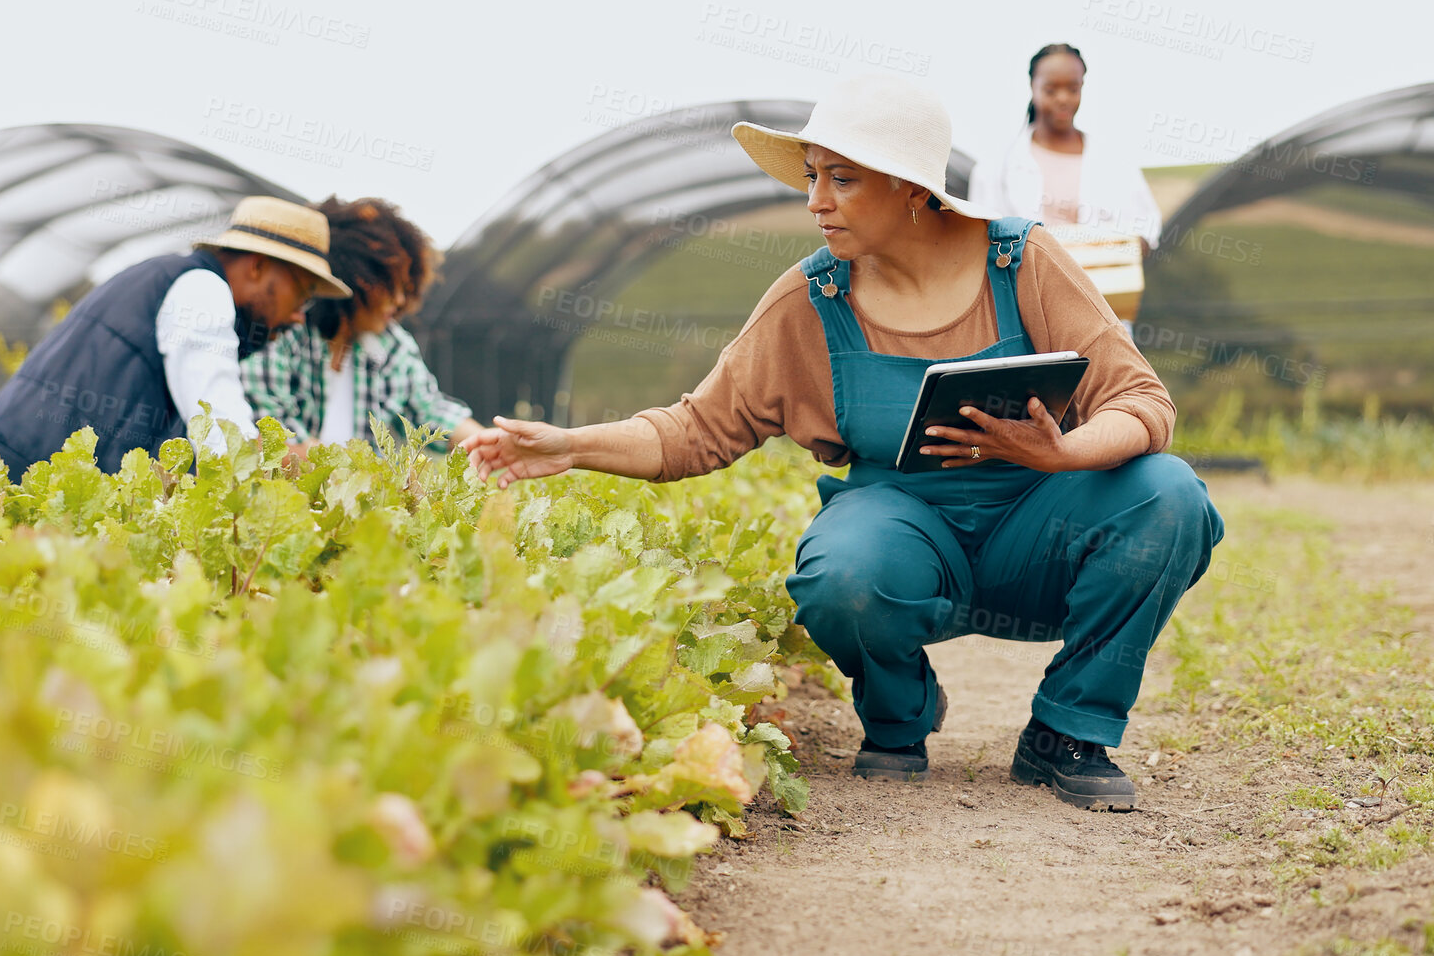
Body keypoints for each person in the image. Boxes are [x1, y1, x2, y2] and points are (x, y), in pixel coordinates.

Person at [463, 75, 1223, 812]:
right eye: (812, 176)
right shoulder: (811, 298)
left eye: (843, 179)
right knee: (842, 573)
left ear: (909, 186)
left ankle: (1067, 730)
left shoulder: (1021, 261)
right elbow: (696, 429)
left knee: (1169, 495)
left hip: (1040, 526)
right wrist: (570, 446)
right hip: (904, 531)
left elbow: (1141, 402)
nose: (815, 200)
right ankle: (901, 714)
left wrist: (1063, 453)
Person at [0, 196, 349, 481]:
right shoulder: (202, 291)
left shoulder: (166, 278)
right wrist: (312, 460)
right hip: (9, 507)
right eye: (302, 295)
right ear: (259, 267)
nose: (300, 317)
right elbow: (227, 444)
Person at [241, 196, 482, 452]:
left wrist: (488, 442)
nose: (399, 300)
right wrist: (378, 478)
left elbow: (429, 409)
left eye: (404, 287)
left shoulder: (390, 345)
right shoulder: (283, 337)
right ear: (353, 278)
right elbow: (276, 444)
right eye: (389, 286)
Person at [969, 44, 1161, 335]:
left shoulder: (1113, 163)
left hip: (1104, 308)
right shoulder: (997, 167)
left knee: (1105, 376)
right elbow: (980, 239)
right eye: (1050, 89)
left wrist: (1118, 249)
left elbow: (1147, 227)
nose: (1063, 98)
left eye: (1073, 88)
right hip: (1026, 314)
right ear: (1032, 87)